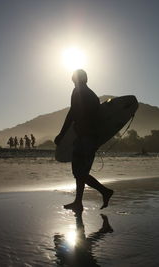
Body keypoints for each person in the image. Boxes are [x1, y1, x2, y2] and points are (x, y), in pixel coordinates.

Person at [54, 69, 113, 212]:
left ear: (75, 79)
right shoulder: (93, 96)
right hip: (91, 138)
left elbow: (72, 114)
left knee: (79, 173)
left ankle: (104, 191)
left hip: (85, 138)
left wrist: (62, 134)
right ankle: (78, 203)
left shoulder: (78, 91)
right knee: (81, 171)